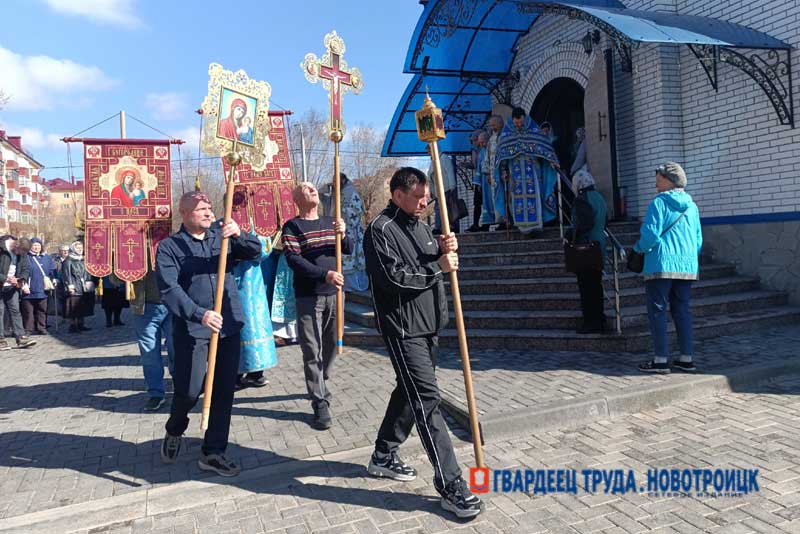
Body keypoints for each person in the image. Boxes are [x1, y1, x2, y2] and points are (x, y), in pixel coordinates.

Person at [363, 167, 484, 519]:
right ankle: (451, 485)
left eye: (426, 196)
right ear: (398, 195)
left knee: (409, 390)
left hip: (430, 324)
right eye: (417, 198)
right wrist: (439, 268)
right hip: (403, 329)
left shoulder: (421, 226)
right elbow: (393, 277)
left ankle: (383, 455)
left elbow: (426, 261)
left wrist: (444, 251)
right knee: (427, 399)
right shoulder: (379, 230)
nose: (424, 202)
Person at [156, 191, 261, 476]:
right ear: (185, 213)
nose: (207, 212)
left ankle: (213, 452)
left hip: (228, 325)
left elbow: (255, 253)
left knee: (224, 391)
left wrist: (239, 234)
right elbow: (169, 289)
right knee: (190, 389)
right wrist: (199, 313)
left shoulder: (222, 236)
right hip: (193, 329)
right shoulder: (170, 247)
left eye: (209, 207)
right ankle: (175, 428)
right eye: (201, 208)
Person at [282, 182, 350, 430]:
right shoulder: (292, 226)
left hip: (336, 293)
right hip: (308, 296)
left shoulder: (331, 221)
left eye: (313, 188)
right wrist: (325, 274)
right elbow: (293, 259)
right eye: (306, 188)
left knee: (333, 344)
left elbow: (348, 249)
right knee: (312, 350)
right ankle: (319, 400)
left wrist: (344, 233)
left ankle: (322, 378)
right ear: (296, 198)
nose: (312, 190)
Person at [634, 162, 703, 374]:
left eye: (659, 176)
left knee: (657, 312)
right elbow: (698, 239)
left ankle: (661, 360)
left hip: (661, 265)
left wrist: (637, 249)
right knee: (682, 311)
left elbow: (650, 235)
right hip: (687, 266)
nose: (656, 179)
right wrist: (689, 258)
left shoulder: (659, 203)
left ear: (668, 180)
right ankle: (686, 358)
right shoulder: (692, 206)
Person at [495, 107, 560, 233]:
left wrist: (551, 160)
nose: (519, 125)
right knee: (516, 199)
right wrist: (503, 171)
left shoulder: (534, 130)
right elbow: (501, 156)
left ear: (525, 118)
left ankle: (536, 225)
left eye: (521, 122)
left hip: (533, 171)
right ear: (512, 120)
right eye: (516, 123)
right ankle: (522, 227)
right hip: (515, 173)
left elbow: (545, 146)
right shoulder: (506, 134)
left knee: (535, 196)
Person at [234, 233, 277, 389]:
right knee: (239, 329)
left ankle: (256, 373)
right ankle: (235, 374)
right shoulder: (222, 225)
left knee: (257, 328)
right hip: (233, 282)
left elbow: (265, 250)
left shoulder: (260, 227)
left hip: (255, 284)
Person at [569, 170, 608, 334]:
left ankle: (591, 321)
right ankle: (600, 319)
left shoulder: (581, 200)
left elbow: (584, 223)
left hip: (586, 247)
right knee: (596, 285)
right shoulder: (599, 198)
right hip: (599, 244)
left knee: (586, 287)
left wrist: (570, 235)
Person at [131, 272, 175, 412]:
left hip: (173, 304)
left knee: (176, 348)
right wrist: (122, 273)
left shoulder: (172, 248)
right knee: (149, 355)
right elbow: (115, 279)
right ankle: (156, 393)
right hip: (144, 307)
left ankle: (180, 383)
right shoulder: (131, 249)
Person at [0, 236, 35, 349]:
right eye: (19, 252)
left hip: (12, 287)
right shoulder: (2, 249)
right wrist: (4, 278)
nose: (20, 255)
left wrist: (20, 280)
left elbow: (25, 269)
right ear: (15, 245)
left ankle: (20, 338)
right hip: (1, 283)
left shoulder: (23, 253)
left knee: (15, 311)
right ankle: (1, 339)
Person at [21, 237, 56, 335]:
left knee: (42, 310)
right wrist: (24, 285)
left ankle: (41, 327)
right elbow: (21, 271)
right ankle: (28, 329)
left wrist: (54, 279)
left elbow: (52, 271)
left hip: (42, 288)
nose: (36, 247)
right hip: (29, 289)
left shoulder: (47, 258)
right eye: (34, 245)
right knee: (28, 311)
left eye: (38, 245)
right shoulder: (25, 257)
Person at [61, 240, 96, 333]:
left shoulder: (84, 259)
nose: (80, 250)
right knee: (73, 308)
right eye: (78, 248)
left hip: (84, 286)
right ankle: (73, 325)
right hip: (75, 286)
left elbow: (87, 272)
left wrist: (90, 282)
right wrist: (70, 286)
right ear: (73, 248)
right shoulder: (68, 260)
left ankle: (81, 324)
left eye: (81, 248)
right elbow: (66, 274)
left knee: (82, 306)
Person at [485, 115, 506, 229]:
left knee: (507, 196)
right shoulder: (491, 139)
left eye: (494, 125)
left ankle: (509, 220)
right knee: (497, 197)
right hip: (494, 174)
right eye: (491, 125)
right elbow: (487, 157)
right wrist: (487, 172)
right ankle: (501, 220)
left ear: (500, 124)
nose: (492, 127)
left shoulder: (506, 136)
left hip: (504, 173)